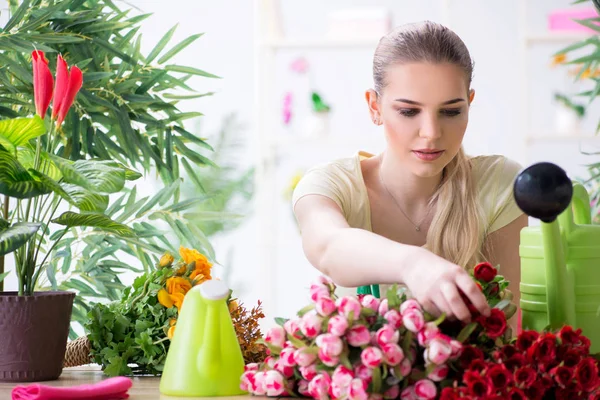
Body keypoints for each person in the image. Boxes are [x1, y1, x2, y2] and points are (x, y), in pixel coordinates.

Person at [292, 21, 527, 330]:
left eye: (451, 111)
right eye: (408, 111)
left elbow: (508, 331)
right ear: (374, 106)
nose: (431, 133)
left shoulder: (498, 185)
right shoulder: (330, 186)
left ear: (469, 104)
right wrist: (413, 264)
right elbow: (329, 246)